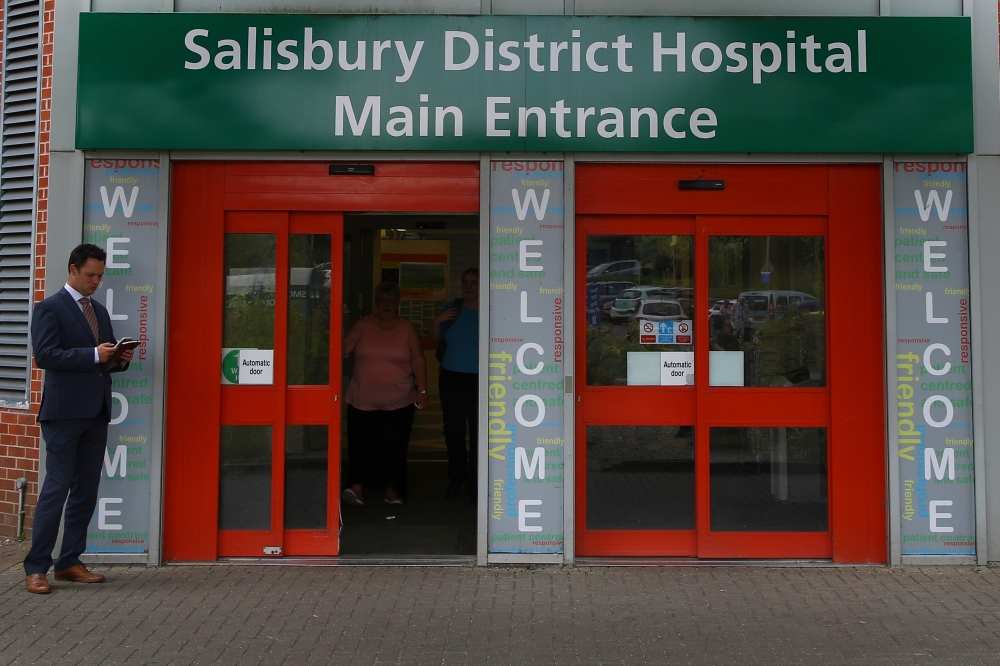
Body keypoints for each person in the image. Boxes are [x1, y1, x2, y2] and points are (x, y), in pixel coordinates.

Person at [23, 244, 134, 594]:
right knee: (56, 488)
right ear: (73, 270)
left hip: (96, 412)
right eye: (91, 275)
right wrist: (91, 354)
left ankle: (69, 561)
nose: (96, 282)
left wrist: (120, 356)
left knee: (86, 489)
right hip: (63, 413)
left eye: (100, 276)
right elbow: (44, 355)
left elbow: (105, 357)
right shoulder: (49, 308)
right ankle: (37, 566)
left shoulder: (99, 311)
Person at [342, 281, 428, 506]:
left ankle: (393, 490)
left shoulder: (407, 328)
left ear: (397, 303)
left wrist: (423, 390)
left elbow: (418, 360)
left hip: (400, 401)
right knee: (361, 446)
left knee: (395, 448)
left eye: (390, 300)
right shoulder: (363, 325)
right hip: (362, 399)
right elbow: (342, 349)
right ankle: (356, 487)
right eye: (381, 300)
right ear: (376, 302)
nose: (386, 305)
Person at [429, 268, 479, 502]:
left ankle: (477, 481)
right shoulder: (453, 308)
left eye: (474, 282)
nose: (469, 287)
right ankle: (457, 476)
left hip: (480, 379)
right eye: (466, 282)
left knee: (479, 432)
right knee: (453, 430)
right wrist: (438, 320)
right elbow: (434, 339)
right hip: (451, 377)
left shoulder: (491, 308)